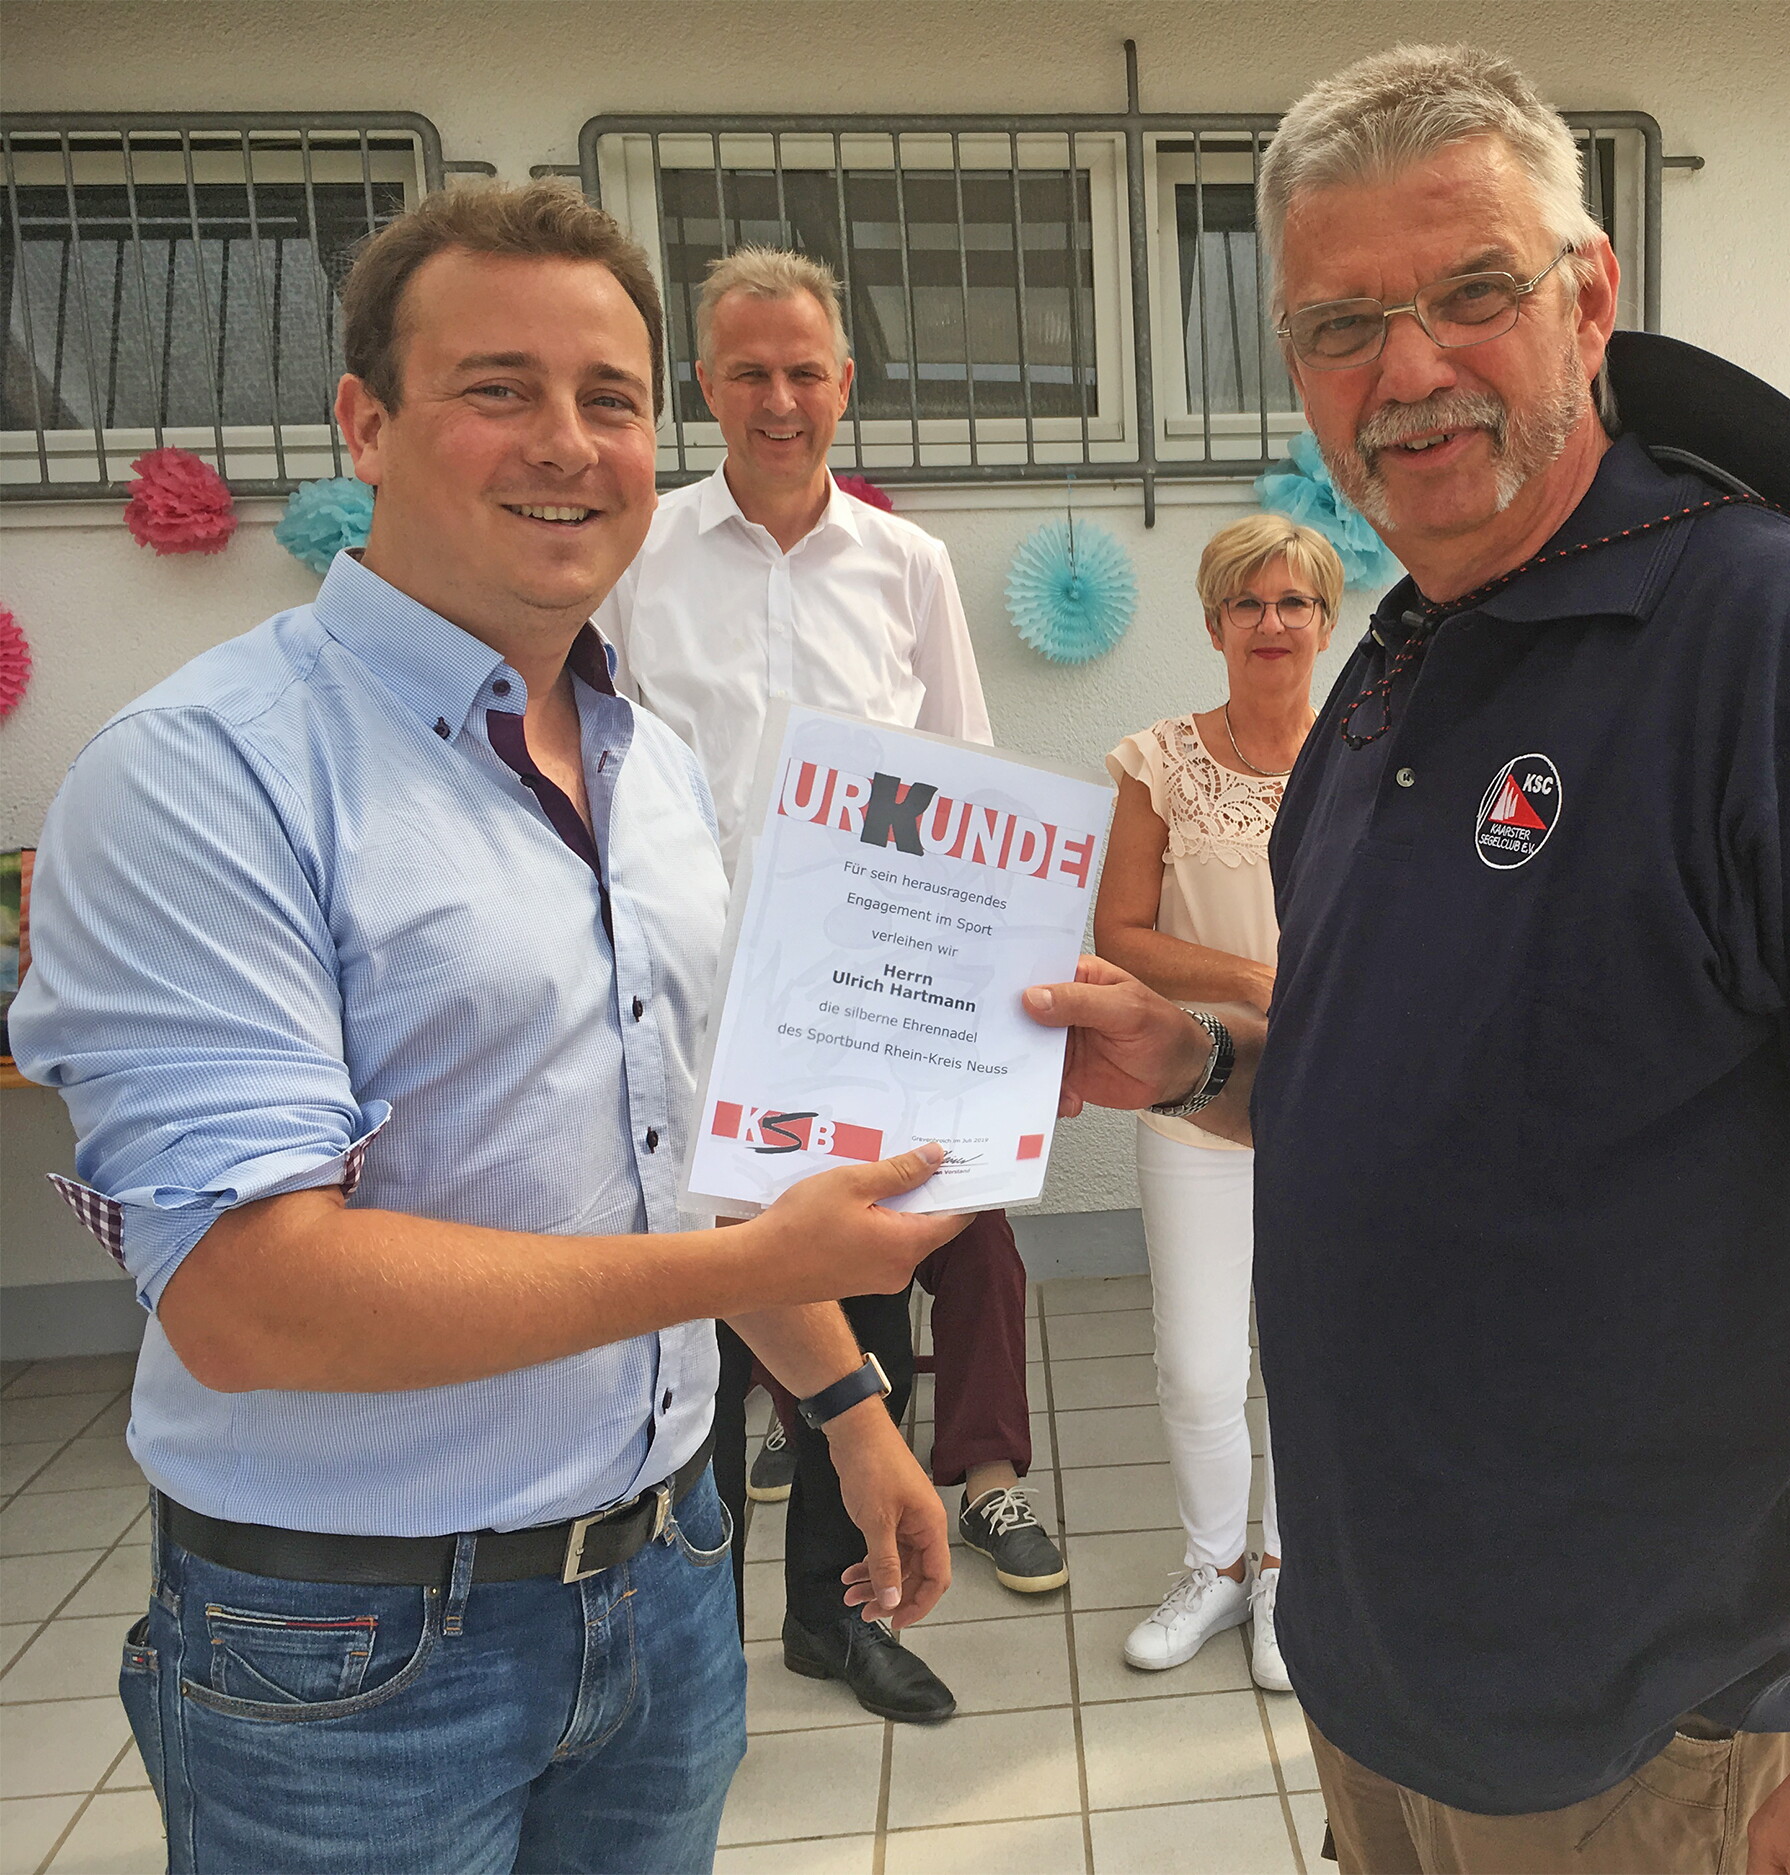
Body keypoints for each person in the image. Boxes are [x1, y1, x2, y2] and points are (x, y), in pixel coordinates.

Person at [1022, 44, 1790, 1875]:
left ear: (1589, 299)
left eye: (1471, 293)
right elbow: (1434, 1080)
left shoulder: (1781, 637)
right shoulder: (1395, 662)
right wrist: (1196, 1066)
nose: (1407, 369)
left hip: (1655, 1726)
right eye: (1342, 325)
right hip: (1383, 1681)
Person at [10, 182, 958, 1874]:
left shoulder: (652, 767)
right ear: (365, 422)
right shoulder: (203, 777)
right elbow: (247, 1295)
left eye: (610, 399)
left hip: (667, 1583)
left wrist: (847, 1402)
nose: (568, 444)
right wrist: (748, 1271)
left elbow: (681, 1147)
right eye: (498, 389)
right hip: (349, 1652)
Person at [598, 245, 1065, 1728]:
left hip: (850, 1021)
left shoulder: (905, 566)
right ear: (703, 386)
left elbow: (967, 789)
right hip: (681, 1010)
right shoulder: (639, 556)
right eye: (749, 371)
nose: (780, 399)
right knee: (697, 1341)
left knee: (853, 1342)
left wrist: (984, 1024)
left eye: (805, 371)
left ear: (846, 385)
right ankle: (693, 1657)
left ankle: (829, 1619)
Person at [1096, 513, 1342, 1693]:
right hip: (1196, 1097)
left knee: (1308, 1352)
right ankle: (1213, 1568)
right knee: (1199, 1364)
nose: (1270, 623)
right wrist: (1254, 980)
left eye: (1293, 602)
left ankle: (1290, 1570)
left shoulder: (1372, 754)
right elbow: (1119, 932)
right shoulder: (1158, 762)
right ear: (1211, 625)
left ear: (1326, 623)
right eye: (1247, 603)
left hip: (1335, 1105)